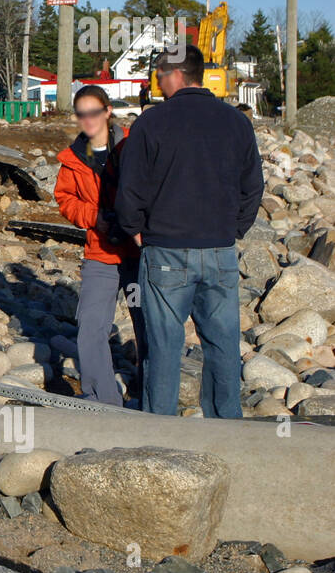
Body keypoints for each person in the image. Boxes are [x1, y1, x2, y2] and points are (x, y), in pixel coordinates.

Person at [115, 45, 264, 417]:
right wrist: (235, 229)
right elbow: (252, 186)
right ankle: (225, 426)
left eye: (160, 76)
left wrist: (135, 230)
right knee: (223, 344)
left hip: (165, 250)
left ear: (174, 74)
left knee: (163, 345)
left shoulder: (151, 122)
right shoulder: (236, 121)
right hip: (219, 250)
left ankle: (160, 433)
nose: (159, 84)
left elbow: (129, 188)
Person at [54, 85, 144, 406]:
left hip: (139, 253)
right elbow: (65, 200)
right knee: (91, 328)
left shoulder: (136, 144)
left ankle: (152, 396)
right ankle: (104, 403)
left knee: (147, 323)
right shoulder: (74, 159)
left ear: (107, 111)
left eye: (94, 111)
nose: (88, 119)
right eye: (82, 113)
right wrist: (94, 217)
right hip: (101, 253)